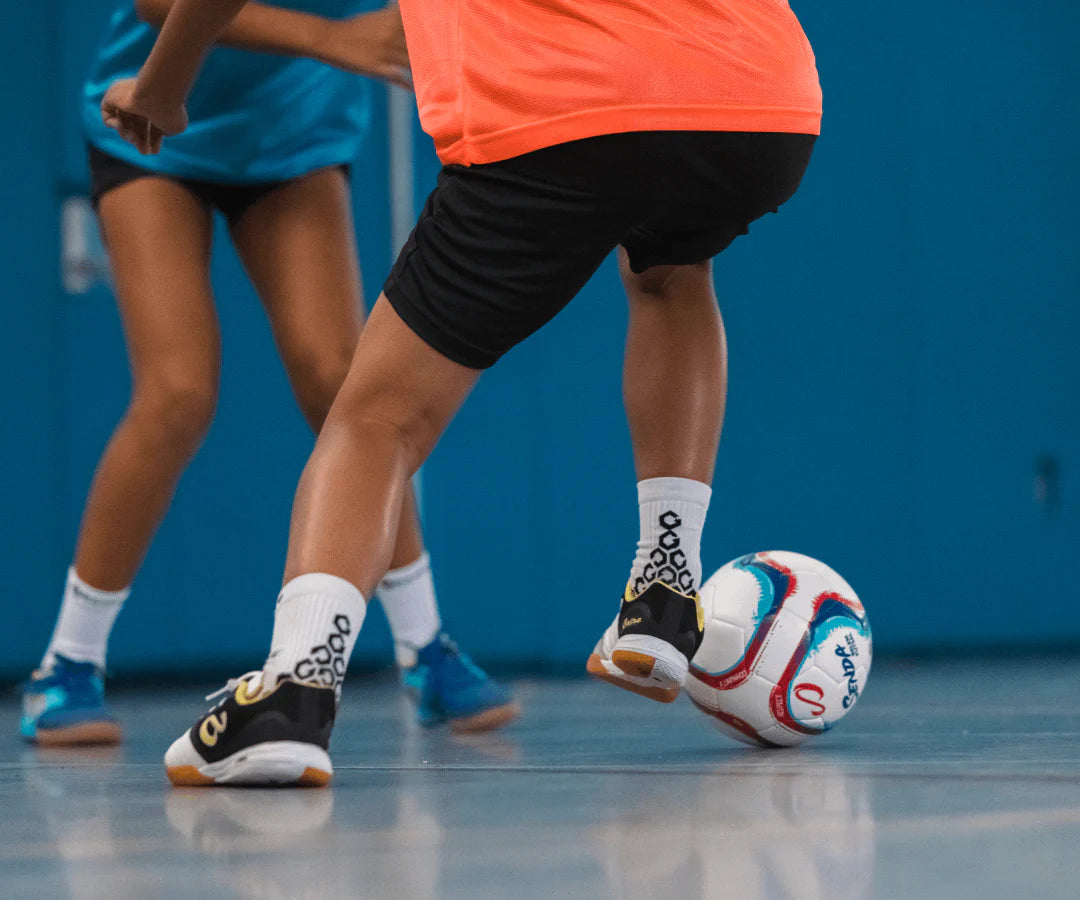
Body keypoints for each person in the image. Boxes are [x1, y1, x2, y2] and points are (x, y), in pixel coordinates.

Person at [101, 0, 821, 786]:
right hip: (760, 102)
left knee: (377, 418)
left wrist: (162, 83)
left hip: (559, 108)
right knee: (671, 274)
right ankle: (663, 588)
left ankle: (295, 692)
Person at [20, 0, 517, 747]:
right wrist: (332, 37)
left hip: (296, 138)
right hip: (151, 120)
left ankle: (427, 652)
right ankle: (67, 664)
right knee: (178, 393)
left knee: (344, 385)